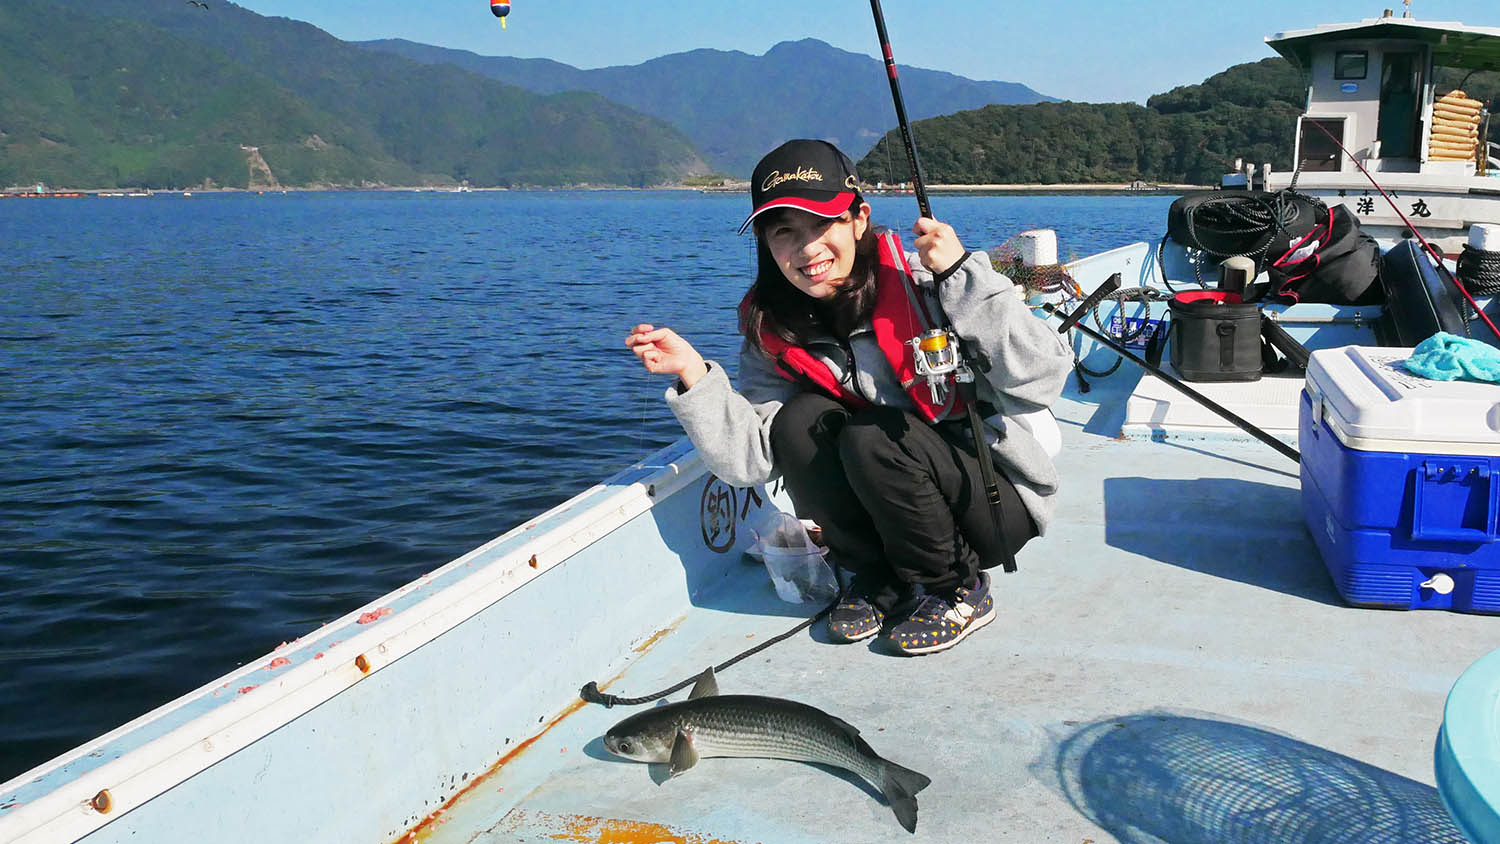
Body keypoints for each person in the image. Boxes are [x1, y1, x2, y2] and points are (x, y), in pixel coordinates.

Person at [626, 139, 1072, 655]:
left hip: (989, 506)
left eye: (822, 224)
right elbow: (753, 461)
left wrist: (963, 276)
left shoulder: (935, 281)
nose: (807, 249)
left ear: (859, 219)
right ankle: (878, 579)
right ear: (766, 244)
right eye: (784, 232)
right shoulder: (773, 327)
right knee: (801, 420)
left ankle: (957, 589)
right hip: (892, 516)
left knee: (871, 435)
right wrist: (695, 376)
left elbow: (1043, 377)